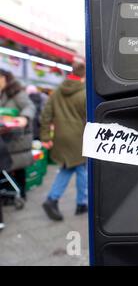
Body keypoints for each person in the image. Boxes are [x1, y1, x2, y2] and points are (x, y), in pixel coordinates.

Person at [40, 63, 87, 221]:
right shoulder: (84, 93)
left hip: (60, 137)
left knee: (70, 167)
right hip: (78, 138)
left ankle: (55, 199)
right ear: (83, 76)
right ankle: (79, 202)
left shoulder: (57, 91)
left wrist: (46, 137)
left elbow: (46, 114)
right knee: (81, 168)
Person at [0, 70, 36, 200]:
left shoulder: (16, 92)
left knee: (18, 167)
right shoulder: (2, 93)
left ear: (3, 78)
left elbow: (29, 106)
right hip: (6, 137)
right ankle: (11, 193)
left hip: (17, 137)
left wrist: (25, 117)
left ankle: (21, 194)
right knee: (8, 166)